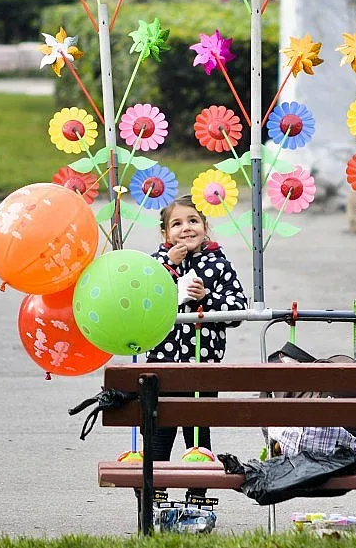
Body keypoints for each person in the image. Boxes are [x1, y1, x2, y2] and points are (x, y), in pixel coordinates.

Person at [147, 194, 248, 502]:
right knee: (160, 434)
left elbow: (238, 309)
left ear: (206, 227)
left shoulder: (218, 265)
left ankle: (197, 496)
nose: (186, 228)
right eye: (176, 224)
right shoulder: (154, 264)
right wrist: (169, 265)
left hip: (200, 364)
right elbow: (143, 301)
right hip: (163, 363)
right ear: (165, 234)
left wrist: (207, 298)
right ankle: (154, 495)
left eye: (193, 221)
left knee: (197, 436)